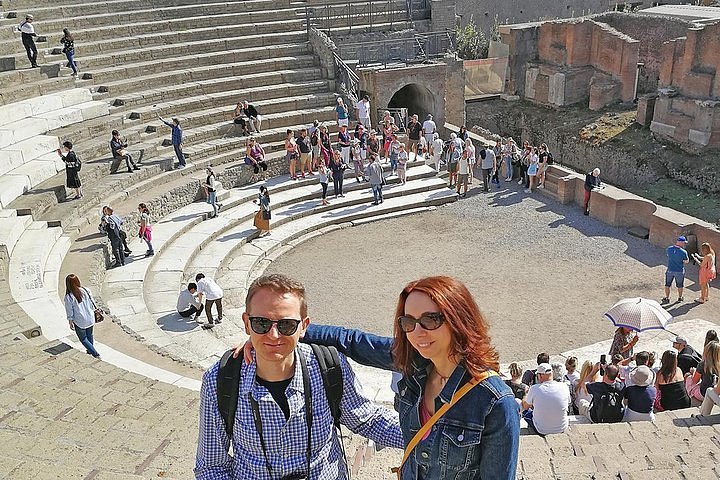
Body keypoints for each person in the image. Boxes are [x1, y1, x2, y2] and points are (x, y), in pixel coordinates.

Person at [270, 275, 519, 479]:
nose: (418, 332)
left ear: (458, 319)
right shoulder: (415, 363)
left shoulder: (495, 402)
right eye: (408, 322)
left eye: (430, 320)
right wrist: (279, 335)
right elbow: (351, 341)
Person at [195, 274, 403, 479]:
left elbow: (368, 420)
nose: (273, 335)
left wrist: (430, 434)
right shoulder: (220, 380)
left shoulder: (328, 368)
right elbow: (211, 467)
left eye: (286, 325)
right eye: (261, 323)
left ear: (304, 326)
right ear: (246, 323)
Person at [521, 363, 570, 435]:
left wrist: (525, 395)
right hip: (562, 427)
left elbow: (525, 406)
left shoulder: (535, 388)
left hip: (541, 429)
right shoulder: (564, 386)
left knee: (525, 410)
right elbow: (567, 403)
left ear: (540, 376)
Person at [64, 274, 101, 359]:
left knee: (83, 339)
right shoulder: (86, 290)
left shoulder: (69, 297)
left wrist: (70, 321)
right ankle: (89, 351)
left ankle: (95, 354)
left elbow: (69, 311)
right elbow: (92, 302)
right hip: (90, 316)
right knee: (90, 335)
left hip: (80, 320)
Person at [662, 236, 690, 304]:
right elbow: (686, 261)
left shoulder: (669, 249)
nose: (684, 244)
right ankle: (680, 298)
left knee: (667, 285)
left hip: (670, 270)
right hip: (679, 271)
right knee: (680, 285)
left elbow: (669, 256)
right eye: (684, 243)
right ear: (681, 242)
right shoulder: (684, 252)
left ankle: (667, 298)